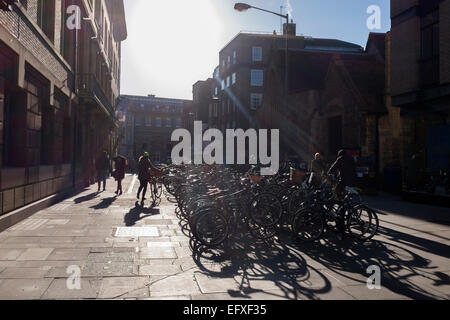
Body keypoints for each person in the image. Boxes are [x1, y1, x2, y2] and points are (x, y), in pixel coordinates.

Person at [328, 149, 357, 240]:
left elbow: (333, 168)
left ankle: (340, 214)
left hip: (344, 181)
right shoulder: (350, 158)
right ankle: (343, 209)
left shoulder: (340, 158)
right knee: (343, 198)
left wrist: (328, 173)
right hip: (352, 181)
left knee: (335, 193)